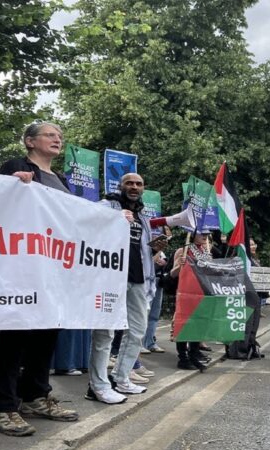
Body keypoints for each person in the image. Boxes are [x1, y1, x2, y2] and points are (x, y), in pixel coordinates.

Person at [0, 121, 78, 437]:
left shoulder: (60, 179)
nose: (57, 138)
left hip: (52, 272)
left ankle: (35, 397)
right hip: (22, 268)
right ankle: (3, 407)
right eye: (50, 134)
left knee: (46, 335)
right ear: (29, 141)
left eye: (59, 135)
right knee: (16, 337)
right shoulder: (16, 166)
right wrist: (12, 185)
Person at [85, 172, 168, 403]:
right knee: (105, 333)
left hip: (138, 279)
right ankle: (97, 386)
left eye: (138, 184)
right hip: (111, 278)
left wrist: (154, 250)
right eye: (129, 183)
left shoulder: (142, 216)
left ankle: (121, 378)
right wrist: (113, 217)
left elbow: (139, 251)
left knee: (138, 330)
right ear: (120, 186)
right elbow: (86, 219)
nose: (134, 187)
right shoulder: (106, 205)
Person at [170, 231, 214, 370]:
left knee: (199, 325)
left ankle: (194, 354)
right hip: (186, 292)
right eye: (202, 233)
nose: (205, 235)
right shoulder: (183, 250)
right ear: (193, 234)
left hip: (201, 292)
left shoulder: (206, 251)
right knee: (184, 324)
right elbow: (172, 273)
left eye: (207, 233)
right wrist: (180, 265)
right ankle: (183, 358)